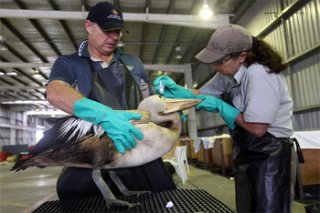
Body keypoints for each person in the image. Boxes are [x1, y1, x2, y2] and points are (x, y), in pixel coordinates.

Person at [154, 24, 295, 213]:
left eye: (219, 61)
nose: (215, 67)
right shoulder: (228, 74)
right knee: (247, 207)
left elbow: (258, 128)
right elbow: (200, 94)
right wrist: (177, 91)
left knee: (268, 208)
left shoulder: (259, 74)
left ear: (242, 56)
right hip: (246, 151)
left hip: (271, 155)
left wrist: (221, 106)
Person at [46, 1, 175, 199]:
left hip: (137, 149)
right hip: (96, 156)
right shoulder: (70, 63)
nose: (114, 37)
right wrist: (103, 115)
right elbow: (55, 92)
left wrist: (169, 110)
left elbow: (148, 104)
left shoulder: (133, 62)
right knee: (76, 198)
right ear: (89, 26)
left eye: (117, 31)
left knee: (162, 198)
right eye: (107, 31)